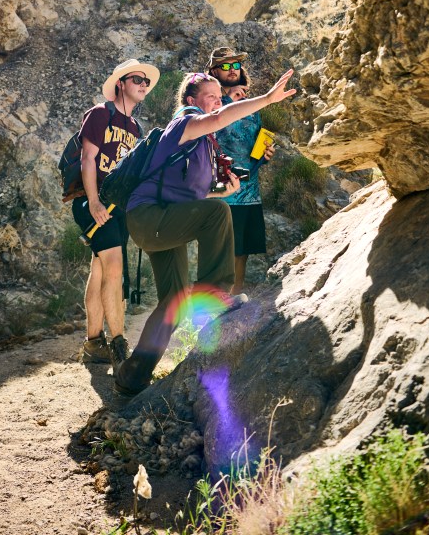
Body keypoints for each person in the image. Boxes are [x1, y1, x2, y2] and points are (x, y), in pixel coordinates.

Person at [114, 67, 295, 396]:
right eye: (210, 96)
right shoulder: (185, 121)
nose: (217, 101)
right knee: (218, 213)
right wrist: (268, 99)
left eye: (218, 96)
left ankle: (132, 375)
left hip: (162, 219)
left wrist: (219, 192)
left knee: (174, 301)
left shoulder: (202, 144)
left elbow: (190, 196)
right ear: (190, 100)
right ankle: (214, 293)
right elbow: (220, 118)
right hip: (149, 217)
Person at [74, 58, 160, 369]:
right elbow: (88, 159)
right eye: (137, 79)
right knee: (114, 267)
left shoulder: (135, 128)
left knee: (99, 269)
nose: (143, 85)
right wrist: (94, 202)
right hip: (93, 201)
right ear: (120, 84)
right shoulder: (101, 114)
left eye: (146, 81)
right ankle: (119, 343)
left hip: (118, 208)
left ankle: (93, 343)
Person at [207, 46, 276, 294]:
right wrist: (227, 100)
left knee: (242, 252)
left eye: (235, 65)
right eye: (225, 66)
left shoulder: (251, 106)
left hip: (250, 191)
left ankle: (234, 302)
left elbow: (252, 146)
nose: (232, 70)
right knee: (222, 251)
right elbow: (208, 127)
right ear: (214, 72)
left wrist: (264, 155)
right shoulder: (209, 102)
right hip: (222, 191)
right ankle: (215, 304)